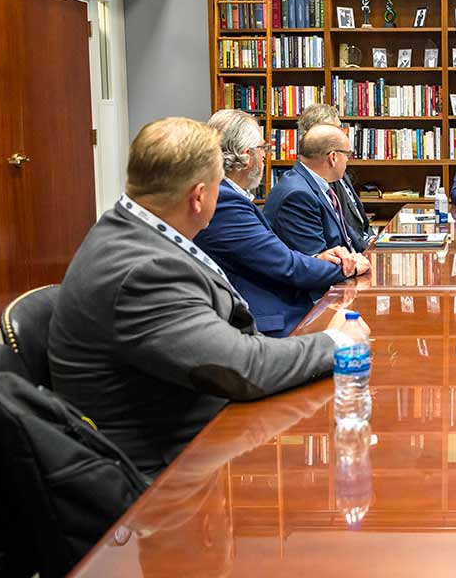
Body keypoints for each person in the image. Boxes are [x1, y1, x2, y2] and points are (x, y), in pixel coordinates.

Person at [48, 117, 369, 476]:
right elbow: (243, 367)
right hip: (168, 473)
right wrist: (336, 341)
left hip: (197, 418)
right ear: (200, 196)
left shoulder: (131, 230)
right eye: (221, 186)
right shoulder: (144, 270)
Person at [194, 110, 369, 337]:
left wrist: (318, 258)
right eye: (263, 148)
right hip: (270, 322)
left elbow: (272, 255)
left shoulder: (230, 196)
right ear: (246, 155)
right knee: (358, 335)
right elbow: (287, 267)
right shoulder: (224, 202)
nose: (266, 155)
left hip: (282, 305)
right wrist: (348, 267)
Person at [265, 124, 360, 257]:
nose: (347, 160)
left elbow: (347, 237)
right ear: (333, 157)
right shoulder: (298, 196)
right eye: (347, 154)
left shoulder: (319, 184)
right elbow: (317, 260)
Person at [297, 102, 374, 251]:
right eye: (338, 128)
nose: (343, 133)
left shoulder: (336, 170)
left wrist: (371, 239)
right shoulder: (315, 182)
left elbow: (357, 221)